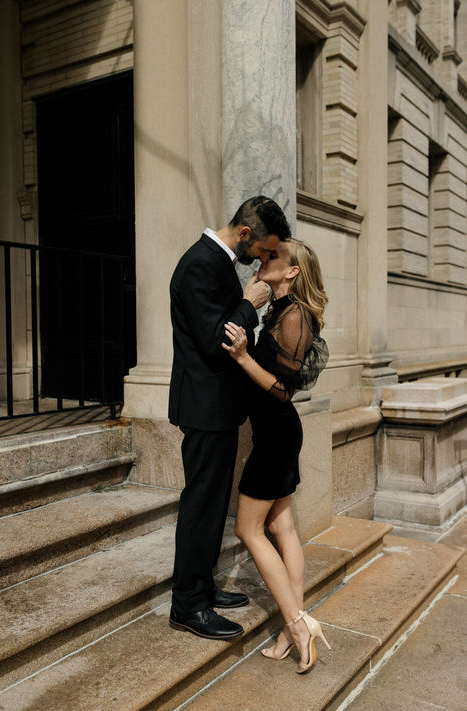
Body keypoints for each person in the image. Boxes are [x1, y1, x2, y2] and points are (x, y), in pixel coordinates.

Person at [168, 195, 291, 641]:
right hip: (203, 406)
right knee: (201, 505)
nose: (261, 258)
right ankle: (188, 605)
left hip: (217, 405)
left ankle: (202, 586)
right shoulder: (201, 263)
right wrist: (248, 302)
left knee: (213, 504)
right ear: (245, 234)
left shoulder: (216, 262)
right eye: (262, 249)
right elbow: (213, 339)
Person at [222, 238, 330, 672]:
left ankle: (298, 624)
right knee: (281, 525)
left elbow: (283, 390)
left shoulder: (295, 317)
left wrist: (244, 356)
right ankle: (292, 632)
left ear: (293, 272)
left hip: (275, 437)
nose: (263, 258)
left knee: (250, 531)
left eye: (273, 257)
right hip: (276, 435)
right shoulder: (281, 312)